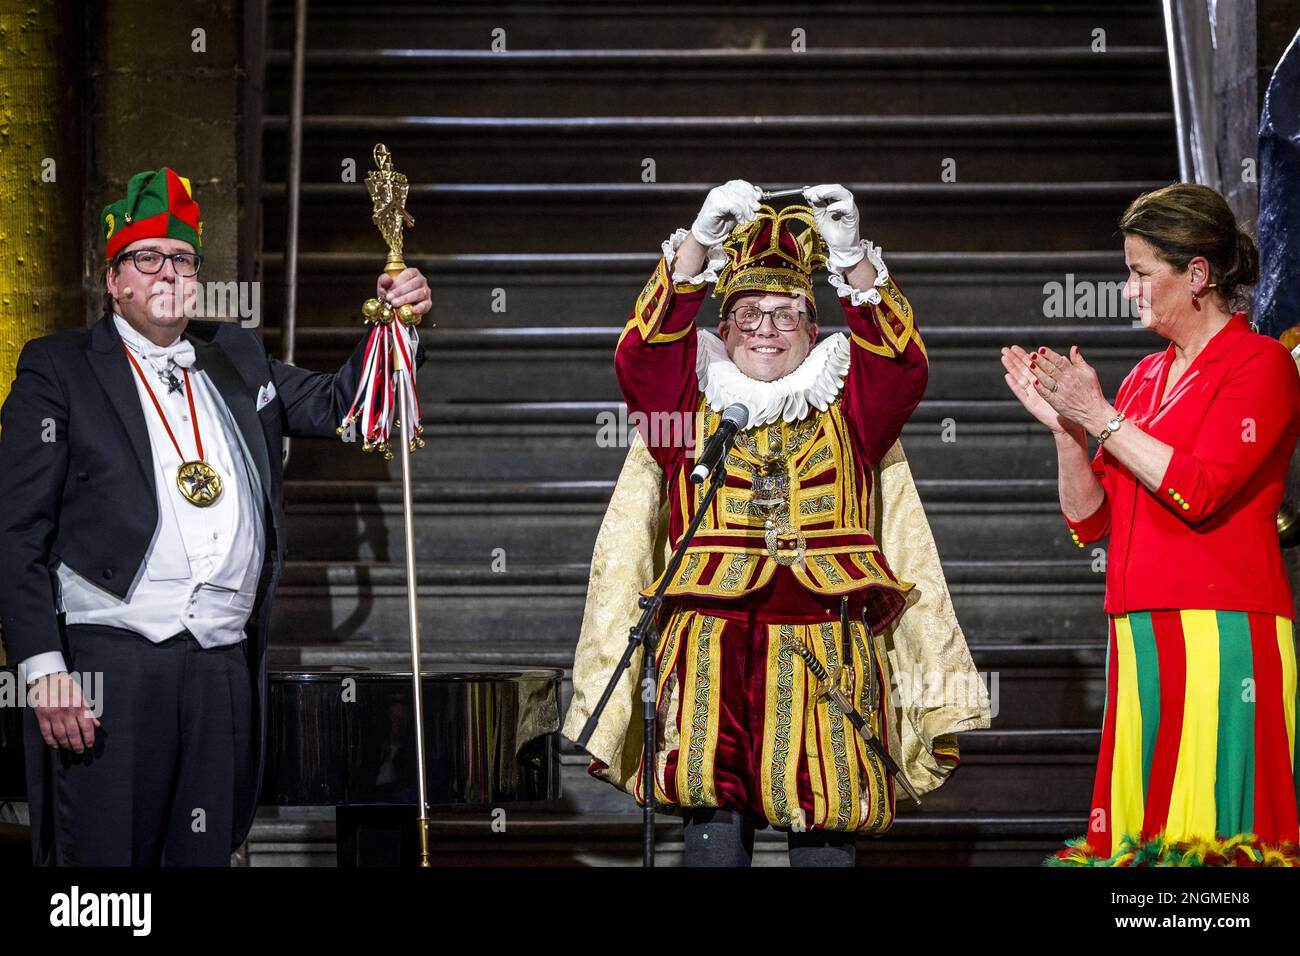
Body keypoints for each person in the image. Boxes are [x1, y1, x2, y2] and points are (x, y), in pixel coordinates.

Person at [0, 166, 432, 865]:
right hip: (110, 664)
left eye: (181, 258)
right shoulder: (60, 368)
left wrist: (396, 326)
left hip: (220, 669)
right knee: (103, 879)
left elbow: (344, 409)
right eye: (147, 257)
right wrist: (42, 665)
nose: (167, 271)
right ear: (115, 280)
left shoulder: (234, 355)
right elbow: (14, 532)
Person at [564, 180, 989, 866]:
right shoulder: (686, 407)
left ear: (812, 329)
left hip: (828, 650)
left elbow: (905, 369)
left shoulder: (848, 407)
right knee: (712, 839)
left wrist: (851, 260)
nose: (766, 329)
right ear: (723, 328)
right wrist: (696, 244)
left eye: (785, 315)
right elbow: (640, 357)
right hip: (709, 651)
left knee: (825, 836)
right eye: (749, 315)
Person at [1001, 182, 1300, 866]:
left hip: (1221, 634)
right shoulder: (1141, 378)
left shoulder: (1262, 365)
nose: (1129, 289)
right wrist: (1067, 433)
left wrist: (1101, 417)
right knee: (1144, 845)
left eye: (1141, 273)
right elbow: (1091, 520)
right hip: (1138, 633)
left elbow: (1199, 490)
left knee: (1217, 838)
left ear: (1197, 274)